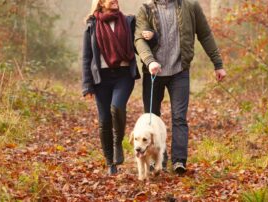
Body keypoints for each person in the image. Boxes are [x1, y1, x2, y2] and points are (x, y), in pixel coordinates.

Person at [134, 0, 227, 174]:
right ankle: (157, 159)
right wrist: (149, 61)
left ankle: (179, 161)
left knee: (179, 117)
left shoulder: (190, 6)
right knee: (151, 119)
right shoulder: (145, 8)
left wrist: (218, 63)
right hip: (153, 72)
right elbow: (139, 39)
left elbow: (205, 35)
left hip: (179, 71)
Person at [82, 0, 157, 175]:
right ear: (101, 2)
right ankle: (110, 163)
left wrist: (151, 35)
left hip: (123, 76)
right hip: (101, 78)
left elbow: (141, 44)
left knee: (117, 107)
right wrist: (87, 85)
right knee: (104, 120)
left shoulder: (129, 21)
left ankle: (118, 142)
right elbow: (87, 57)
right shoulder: (92, 25)